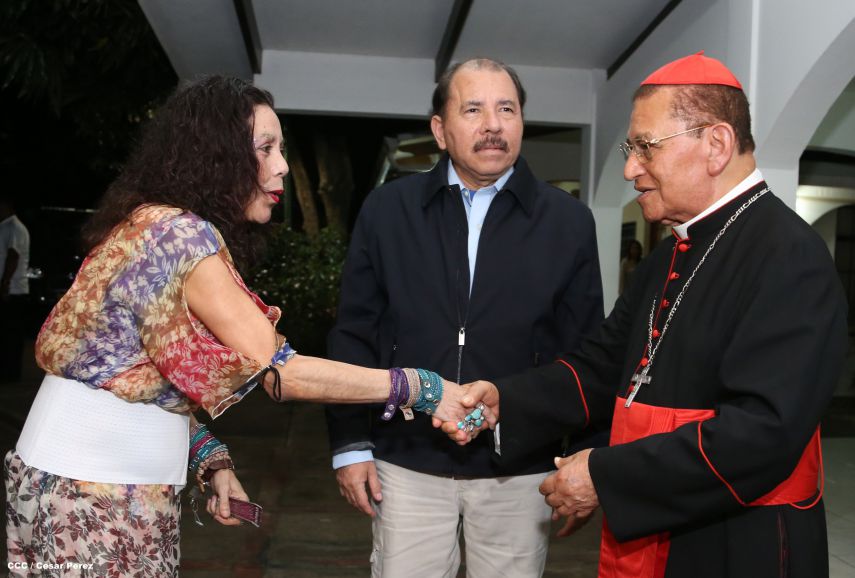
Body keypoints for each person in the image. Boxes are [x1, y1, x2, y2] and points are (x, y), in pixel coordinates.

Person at [4, 76, 467, 578]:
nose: (283, 165)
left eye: (282, 148)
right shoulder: (184, 236)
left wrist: (207, 457)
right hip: (99, 500)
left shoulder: (147, 223)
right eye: (265, 148)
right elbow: (281, 373)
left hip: (58, 486)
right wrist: (421, 387)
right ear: (215, 157)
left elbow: (128, 376)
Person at [448, 52, 848, 578]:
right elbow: (603, 364)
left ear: (717, 145)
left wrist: (608, 477)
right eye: (629, 148)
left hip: (736, 539)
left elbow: (761, 435)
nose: (629, 168)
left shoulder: (790, 256)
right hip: (661, 515)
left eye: (644, 148)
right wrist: (508, 400)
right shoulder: (669, 254)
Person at [325, 58, 604, 577]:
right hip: (404, 462)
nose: (493, 125)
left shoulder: (567, 222)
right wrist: (349, 445)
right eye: (473, 109)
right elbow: (354, 331)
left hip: (519, 469)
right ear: (440, 128)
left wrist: (586, 457)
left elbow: (588, 351)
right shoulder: (389, 210)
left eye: (507, 109)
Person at [0, 191, 31, 382]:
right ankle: (7, 371)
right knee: (6, 333)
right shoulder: (5, 226)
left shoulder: (14, 227)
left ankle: (11, 374)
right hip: (8, 288)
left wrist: (5, 283)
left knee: (11, 334)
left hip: (14, 290)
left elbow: (14, 255)